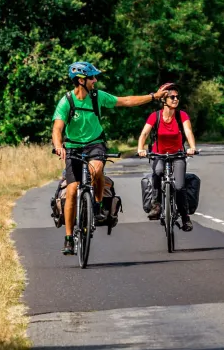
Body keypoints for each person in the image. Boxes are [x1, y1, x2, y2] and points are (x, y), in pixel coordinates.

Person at [52, 62, 169, 255]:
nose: (95, 81)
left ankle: (97, 207)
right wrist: (58, 146)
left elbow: (126, 101)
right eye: (92, 78)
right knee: (72, 190)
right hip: (72, 146)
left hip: (95, 144)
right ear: (81, 81)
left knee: (96, 170)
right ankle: (68, 238)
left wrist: (153, 97)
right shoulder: (67, 101)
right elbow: (57, 128)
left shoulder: (98, 97)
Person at [137, 83, 197, 232]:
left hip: (177, 154)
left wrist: (192, 147)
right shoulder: (155, 116)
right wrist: (140, 148)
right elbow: (144, 133)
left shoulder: (181, 115)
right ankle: (156, 205)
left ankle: (185, 218)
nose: (176, 99)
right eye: (172, 97)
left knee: (180, 186)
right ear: (164, 100)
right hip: (159, 154)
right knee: (157, 172)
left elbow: (188, 131)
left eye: (177, 97)